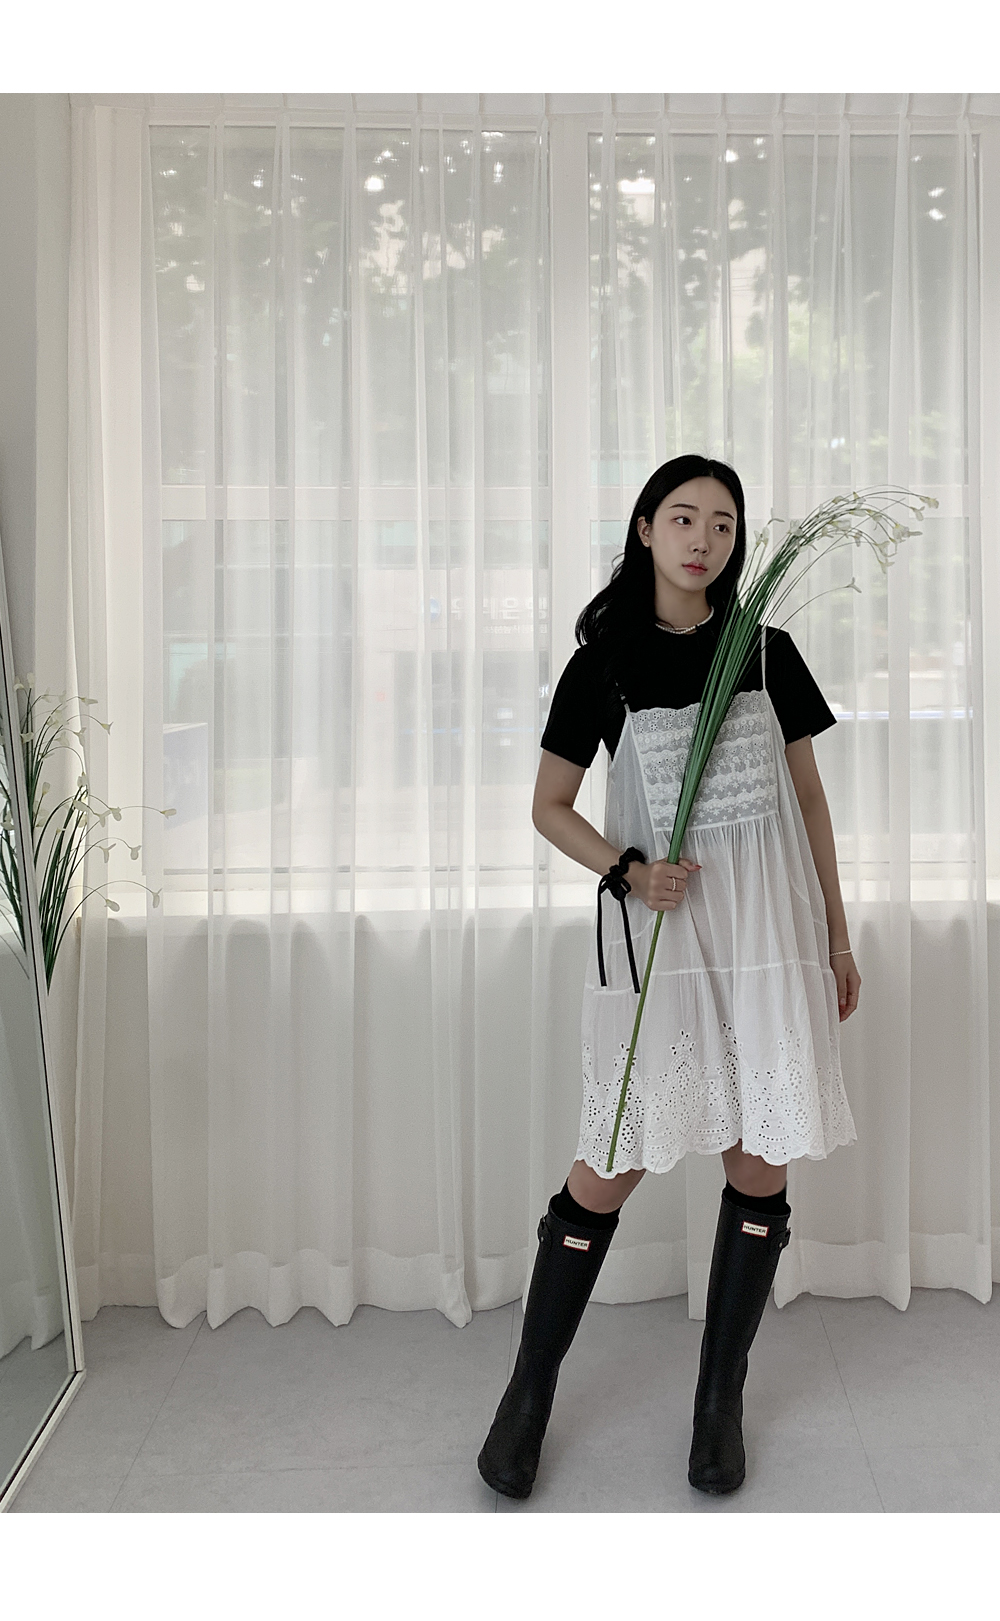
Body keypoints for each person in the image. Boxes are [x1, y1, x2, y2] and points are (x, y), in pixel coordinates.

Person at [477, 453, 862, 1502]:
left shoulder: (765, 652)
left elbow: (810, 803)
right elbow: (549, 805)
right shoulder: (602, 663)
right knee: (607, 1162)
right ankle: (527, 1393)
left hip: (769, 941)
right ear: (645, 528)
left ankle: (717, 1401)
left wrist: (836, 935)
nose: (705, 539)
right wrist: (628, 870)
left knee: (759, 1164)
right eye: (685, 517)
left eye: (724, 524)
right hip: (660, 944)